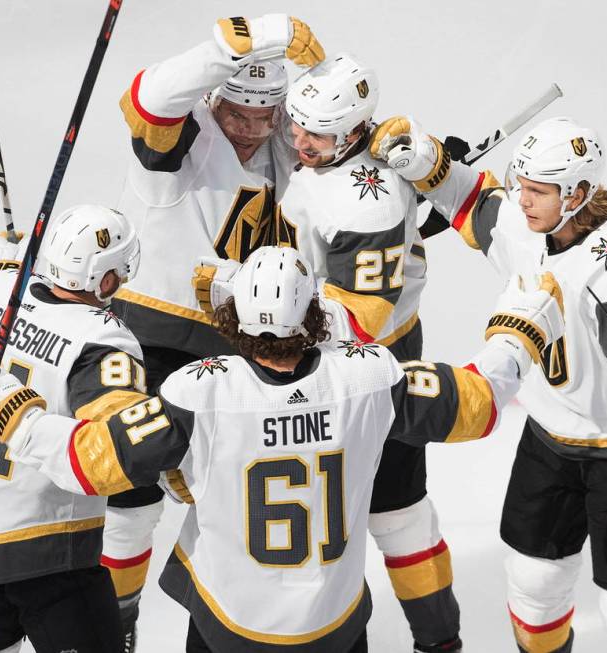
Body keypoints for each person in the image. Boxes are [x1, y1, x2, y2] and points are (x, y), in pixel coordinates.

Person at [0, 246, 564, 653]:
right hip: (332, 624)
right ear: (314, 318)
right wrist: (521, 330)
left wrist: (15, 416)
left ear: (235, 320)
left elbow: (91, 462)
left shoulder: (198, 391)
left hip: (232, 629)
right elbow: (481, 403)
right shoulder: (371, 376)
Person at [371, 116, 607, 652]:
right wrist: (429, 165)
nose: (522, 200)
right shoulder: (529, 224)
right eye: (521, 185)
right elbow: (475, 202)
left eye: (537, 191)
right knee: (533, 586)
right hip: (550, 440)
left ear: (577, 194)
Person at [196, 53, 465, 652]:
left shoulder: (365, 205)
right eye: (295, 124)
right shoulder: (342, 152)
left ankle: (439, 641)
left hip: (366, 361)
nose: (297, 140)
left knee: (396, 510)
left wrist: (249, 297)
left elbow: (360, 323)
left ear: (353, 132)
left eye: (315, 134)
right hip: (329, 342)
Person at [104, 14, 325, 647]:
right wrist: (244, 38)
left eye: (266, 116)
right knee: (136, 499)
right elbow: (145, 94)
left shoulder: (283, 145)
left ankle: (232, 622)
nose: (253, 131)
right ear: (214, 100)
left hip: (244, 346)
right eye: (239, 115)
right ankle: (117, 622)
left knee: (238, 493)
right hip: (157, 339)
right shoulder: (182, 139)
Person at [0, 205, 144, 653]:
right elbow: (114, 460)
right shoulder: (105, 337)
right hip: (46, 552)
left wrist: (2, 273)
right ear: (105, 279)